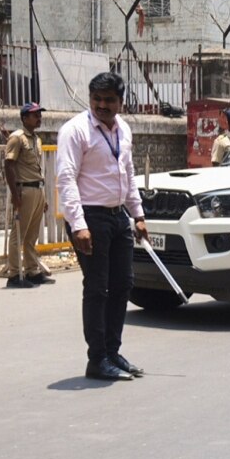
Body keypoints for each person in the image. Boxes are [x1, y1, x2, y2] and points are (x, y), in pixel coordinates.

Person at [56, 73, 148, 381]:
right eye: (97, 99)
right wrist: (78, 224)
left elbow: (129, 173)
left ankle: (112, 351)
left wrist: (138, 214)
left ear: (121, 101)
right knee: (98, 288)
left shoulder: (123, 129)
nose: (102, 105)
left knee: (123, 284)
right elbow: (66, 179)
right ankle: (96, 358)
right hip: (90, 217)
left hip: (118, 216)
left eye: (109, 100)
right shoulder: (75, 131)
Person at [1, 102, 53, 288]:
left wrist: (43, 196)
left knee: (32, 235)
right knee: (19, 234)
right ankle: (14, 274)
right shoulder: (17, 138)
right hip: (24, 189)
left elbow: (37, 168)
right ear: (24, 118)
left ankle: (32, 271)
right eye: (34, 114)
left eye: (39, 114)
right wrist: (15, 194)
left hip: (37, 189)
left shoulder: (36, 139)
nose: (38, 117)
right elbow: (9, 165)